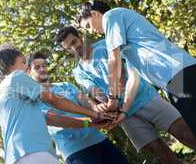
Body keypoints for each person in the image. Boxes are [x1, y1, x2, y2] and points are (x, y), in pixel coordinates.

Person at [56, 26, 196, 164]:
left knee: (186, 134)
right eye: (68, 48)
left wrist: (113, 96)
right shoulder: (78, 71)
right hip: (125, 116)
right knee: (162, 154)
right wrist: (103, 105)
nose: (74, 48)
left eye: (74, 42)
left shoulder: (106, 45)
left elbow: (124, 72)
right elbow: (93, 90)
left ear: (80, 36)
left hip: (145, 98)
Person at [76, 0, 196, 136]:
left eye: (88, 26)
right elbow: (134, 78)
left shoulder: (111, 16)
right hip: (172, 82)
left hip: (179, 74)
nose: (92, 32)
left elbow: (114, 61)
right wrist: (124, 112)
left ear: (95, 14)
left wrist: (112, 99)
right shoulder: (130, 45)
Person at [0, 47, 112, 164]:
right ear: (10, 65)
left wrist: (91, 123)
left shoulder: (20, 98)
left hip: (27, 153)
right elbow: (54, 100)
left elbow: (51, 119)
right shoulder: (15, 77)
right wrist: (94, 114)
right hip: (30, 152)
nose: (26, 66)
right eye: (23, 62)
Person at [27, 51, 128, 164]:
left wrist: (101, 111)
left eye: (44, 65)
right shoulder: (34, 100)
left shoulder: (66, 85)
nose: (42, 69)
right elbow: (56, 120)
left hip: (99, 140)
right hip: (76, 151)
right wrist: (91, 122)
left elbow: (86, 101)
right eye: (37, 67)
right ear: (29, 72)